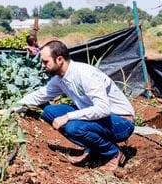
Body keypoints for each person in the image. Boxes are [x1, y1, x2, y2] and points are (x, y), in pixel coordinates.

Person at [8, 40, 135, 171]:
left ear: (59, 59)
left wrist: (68, 116)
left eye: (46, 62)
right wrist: (11, 109)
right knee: (49, 111)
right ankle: (94, 148)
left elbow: (103, 109)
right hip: (100, 119)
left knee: (73, 127)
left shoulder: (85, 74)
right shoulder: (60, 79)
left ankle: (113, 153)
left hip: (121, 121)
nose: (42, 65)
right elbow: (39, 95)